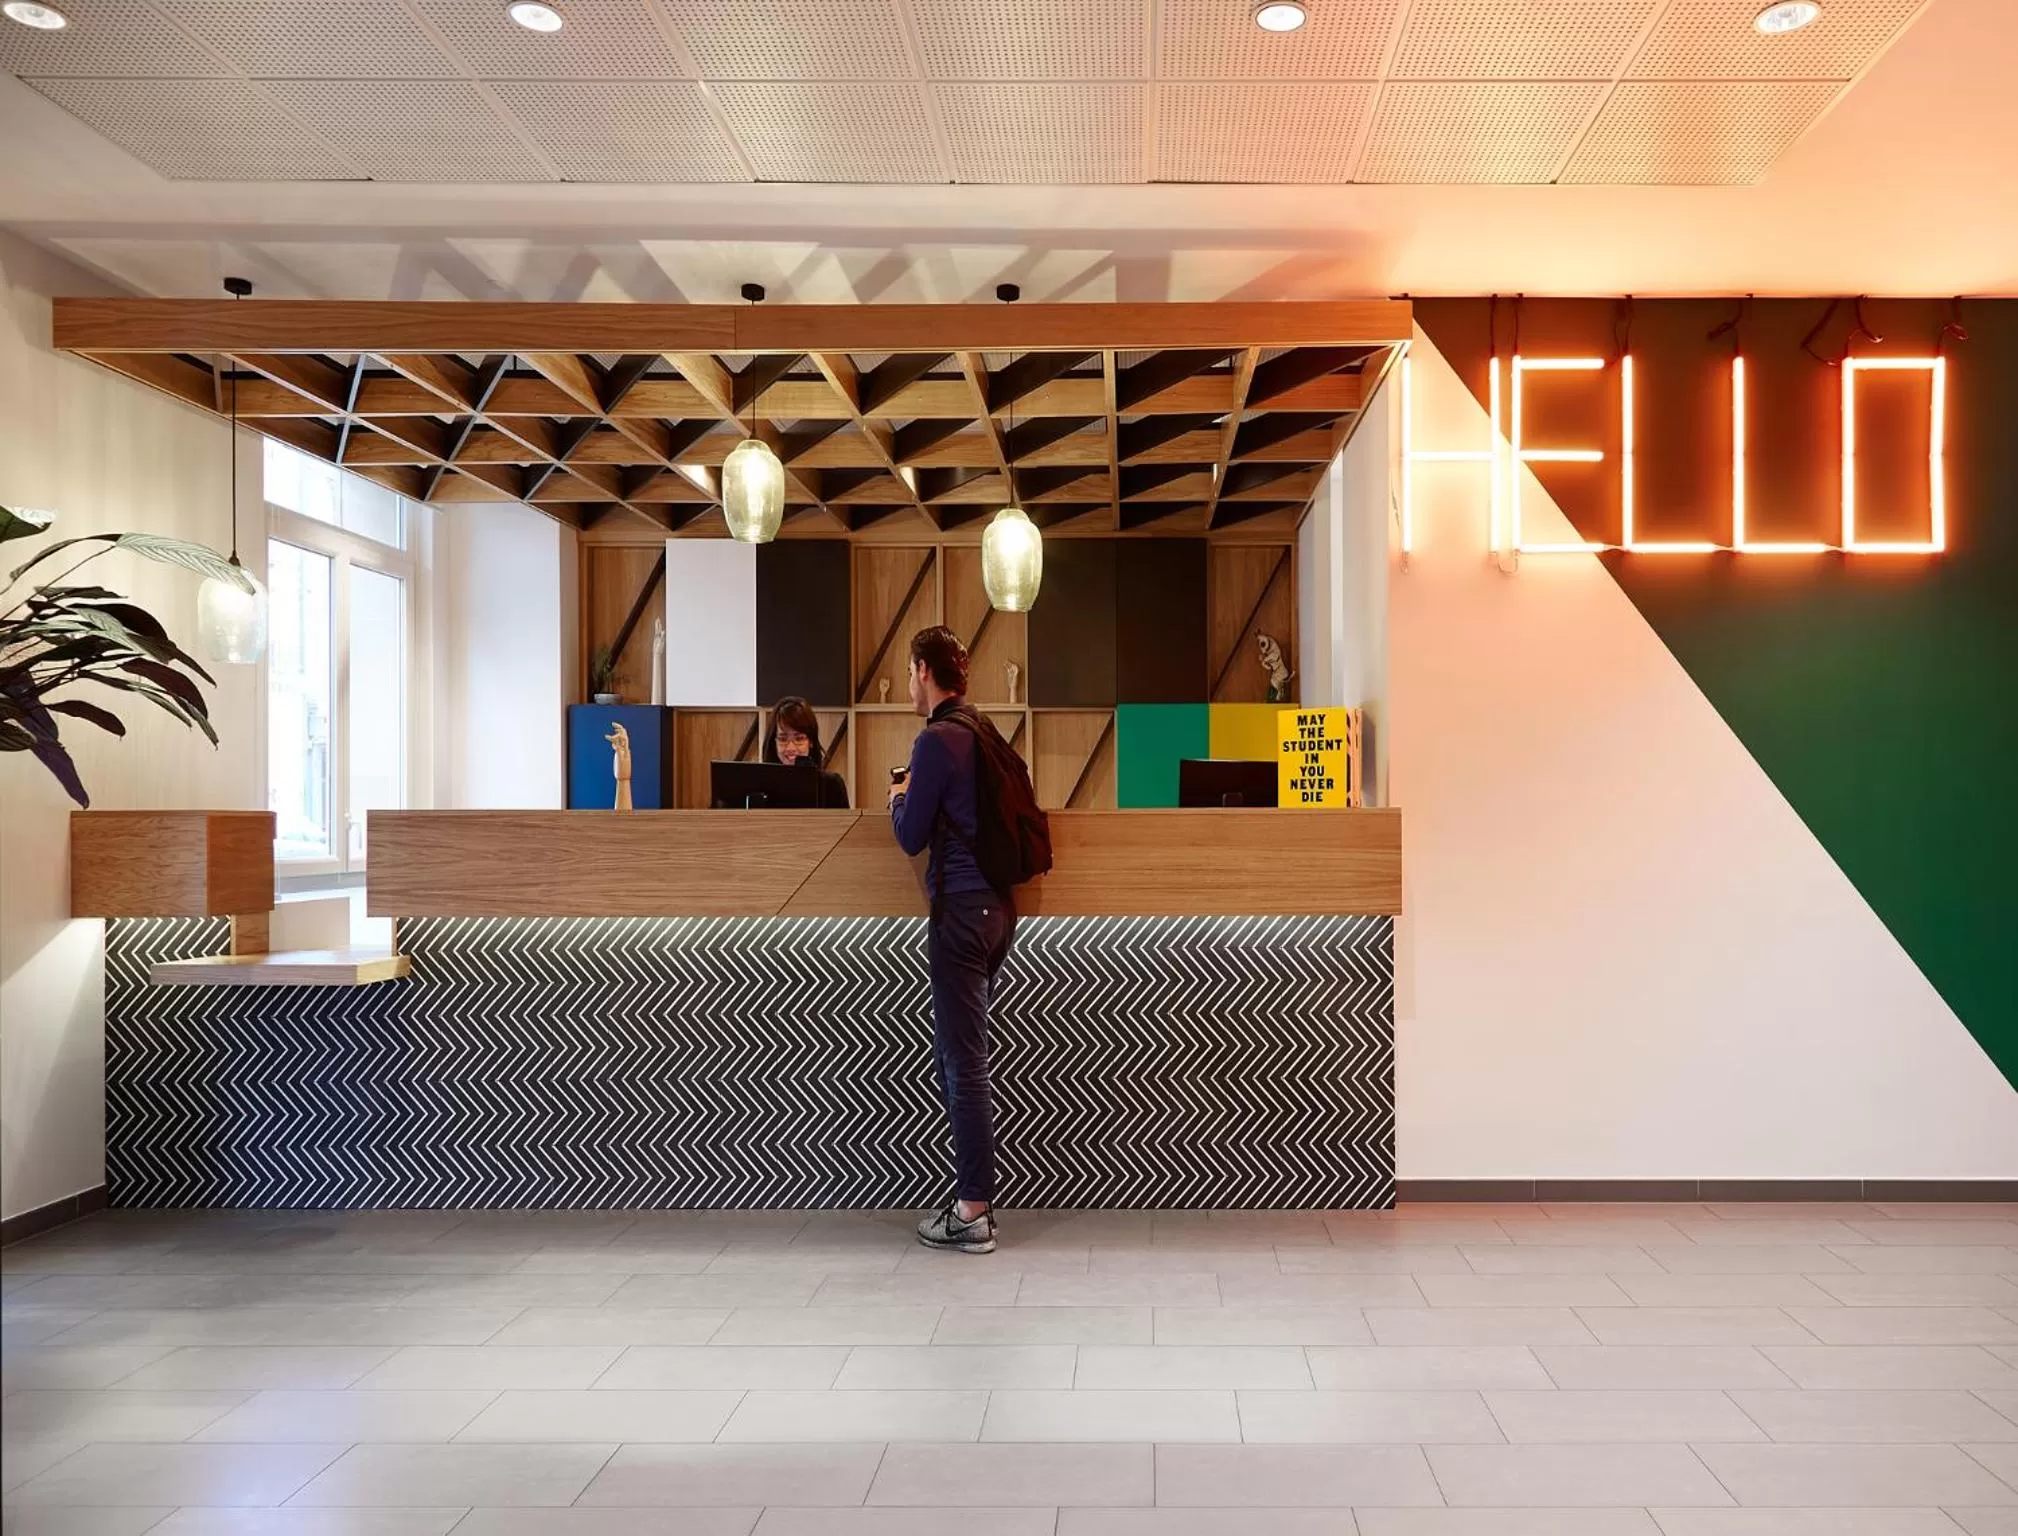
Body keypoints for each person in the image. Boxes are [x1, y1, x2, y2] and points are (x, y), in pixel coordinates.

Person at [888, 626, 1016, 1254]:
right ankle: (976, 1202)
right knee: (967, 1058)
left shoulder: (936, 740)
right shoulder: (982, 729)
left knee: (963, 1065)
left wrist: (897, 799)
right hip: (997, 912)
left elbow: (911, 837)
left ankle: (972, 1211)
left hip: (960, 914)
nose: (909, 684)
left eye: (910, 673)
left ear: (921, 670)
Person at [762, 695, 848, 808]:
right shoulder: (761, 786)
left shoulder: (832, 785)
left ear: (811, 741)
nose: (791, 748)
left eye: (799, 739)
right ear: (774, 743)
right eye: (783, 739)